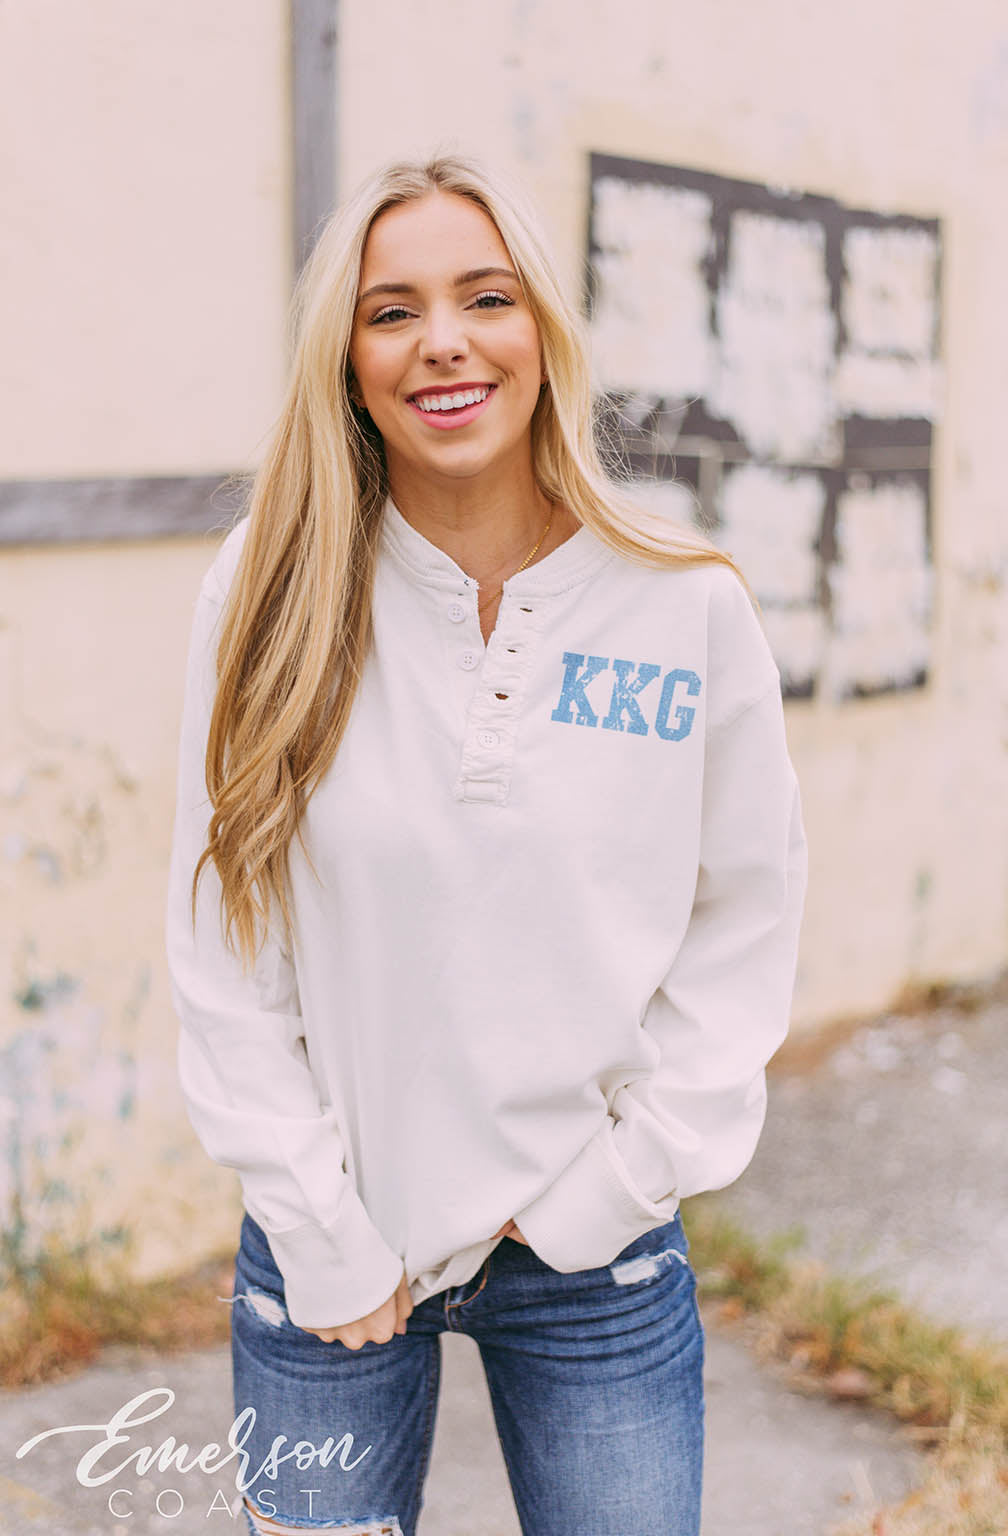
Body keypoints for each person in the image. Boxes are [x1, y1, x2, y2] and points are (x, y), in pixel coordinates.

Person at [165, 151, 808, 1536]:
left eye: (486, 297)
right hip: (331, 1246)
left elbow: (744, 925)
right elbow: (224, 945)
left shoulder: (683, 605)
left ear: (545, 331)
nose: (443, 341)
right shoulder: (268, 587)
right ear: (347, 360)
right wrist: (322, 1229)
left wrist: (610, 1191)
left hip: (594, 1260)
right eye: (392, 311)